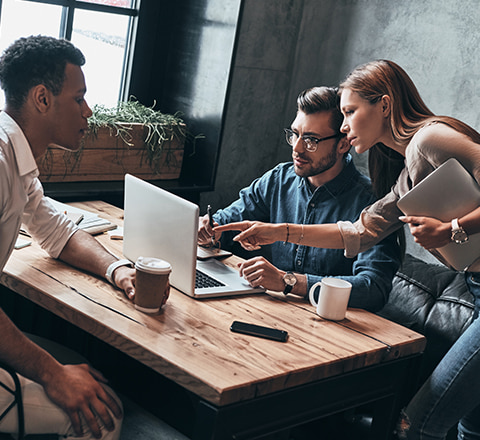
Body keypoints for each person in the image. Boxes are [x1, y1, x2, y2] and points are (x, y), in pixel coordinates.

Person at [215, 59, 480, 440]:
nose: (343, 126)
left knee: (417, 424)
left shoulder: (429, 139)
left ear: (385, 106)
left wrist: (453, 229)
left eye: (350, 112)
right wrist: (280, 231)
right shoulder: (407, 172)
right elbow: (357, 232)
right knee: (472, 425)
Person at [0, 35, 153, 439]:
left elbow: (56, 231)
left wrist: (118, 269)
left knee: (80, 366)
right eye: (79, 97)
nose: (88, 111)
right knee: (101, 413)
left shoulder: (16, 156)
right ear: (42, 99)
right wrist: (53, 375)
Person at [199, 86, 401, 311]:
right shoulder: (279, 179)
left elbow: (373, 289)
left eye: (311, 140)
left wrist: (288, 281)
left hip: (333, 330)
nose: (297, 148)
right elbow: (227, 223)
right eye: (295, 134)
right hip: (273, 310)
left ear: (343, 143)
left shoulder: (373, 205)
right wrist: (209, 230)